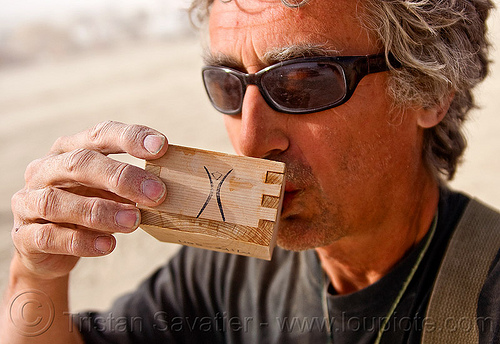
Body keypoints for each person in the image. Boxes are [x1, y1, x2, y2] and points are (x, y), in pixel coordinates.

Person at [1, 0, 498, 343]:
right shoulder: (229, 272)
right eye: (228, 86)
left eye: (304, 82)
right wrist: (36, 275)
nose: (251, 140)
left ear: (430, 88)